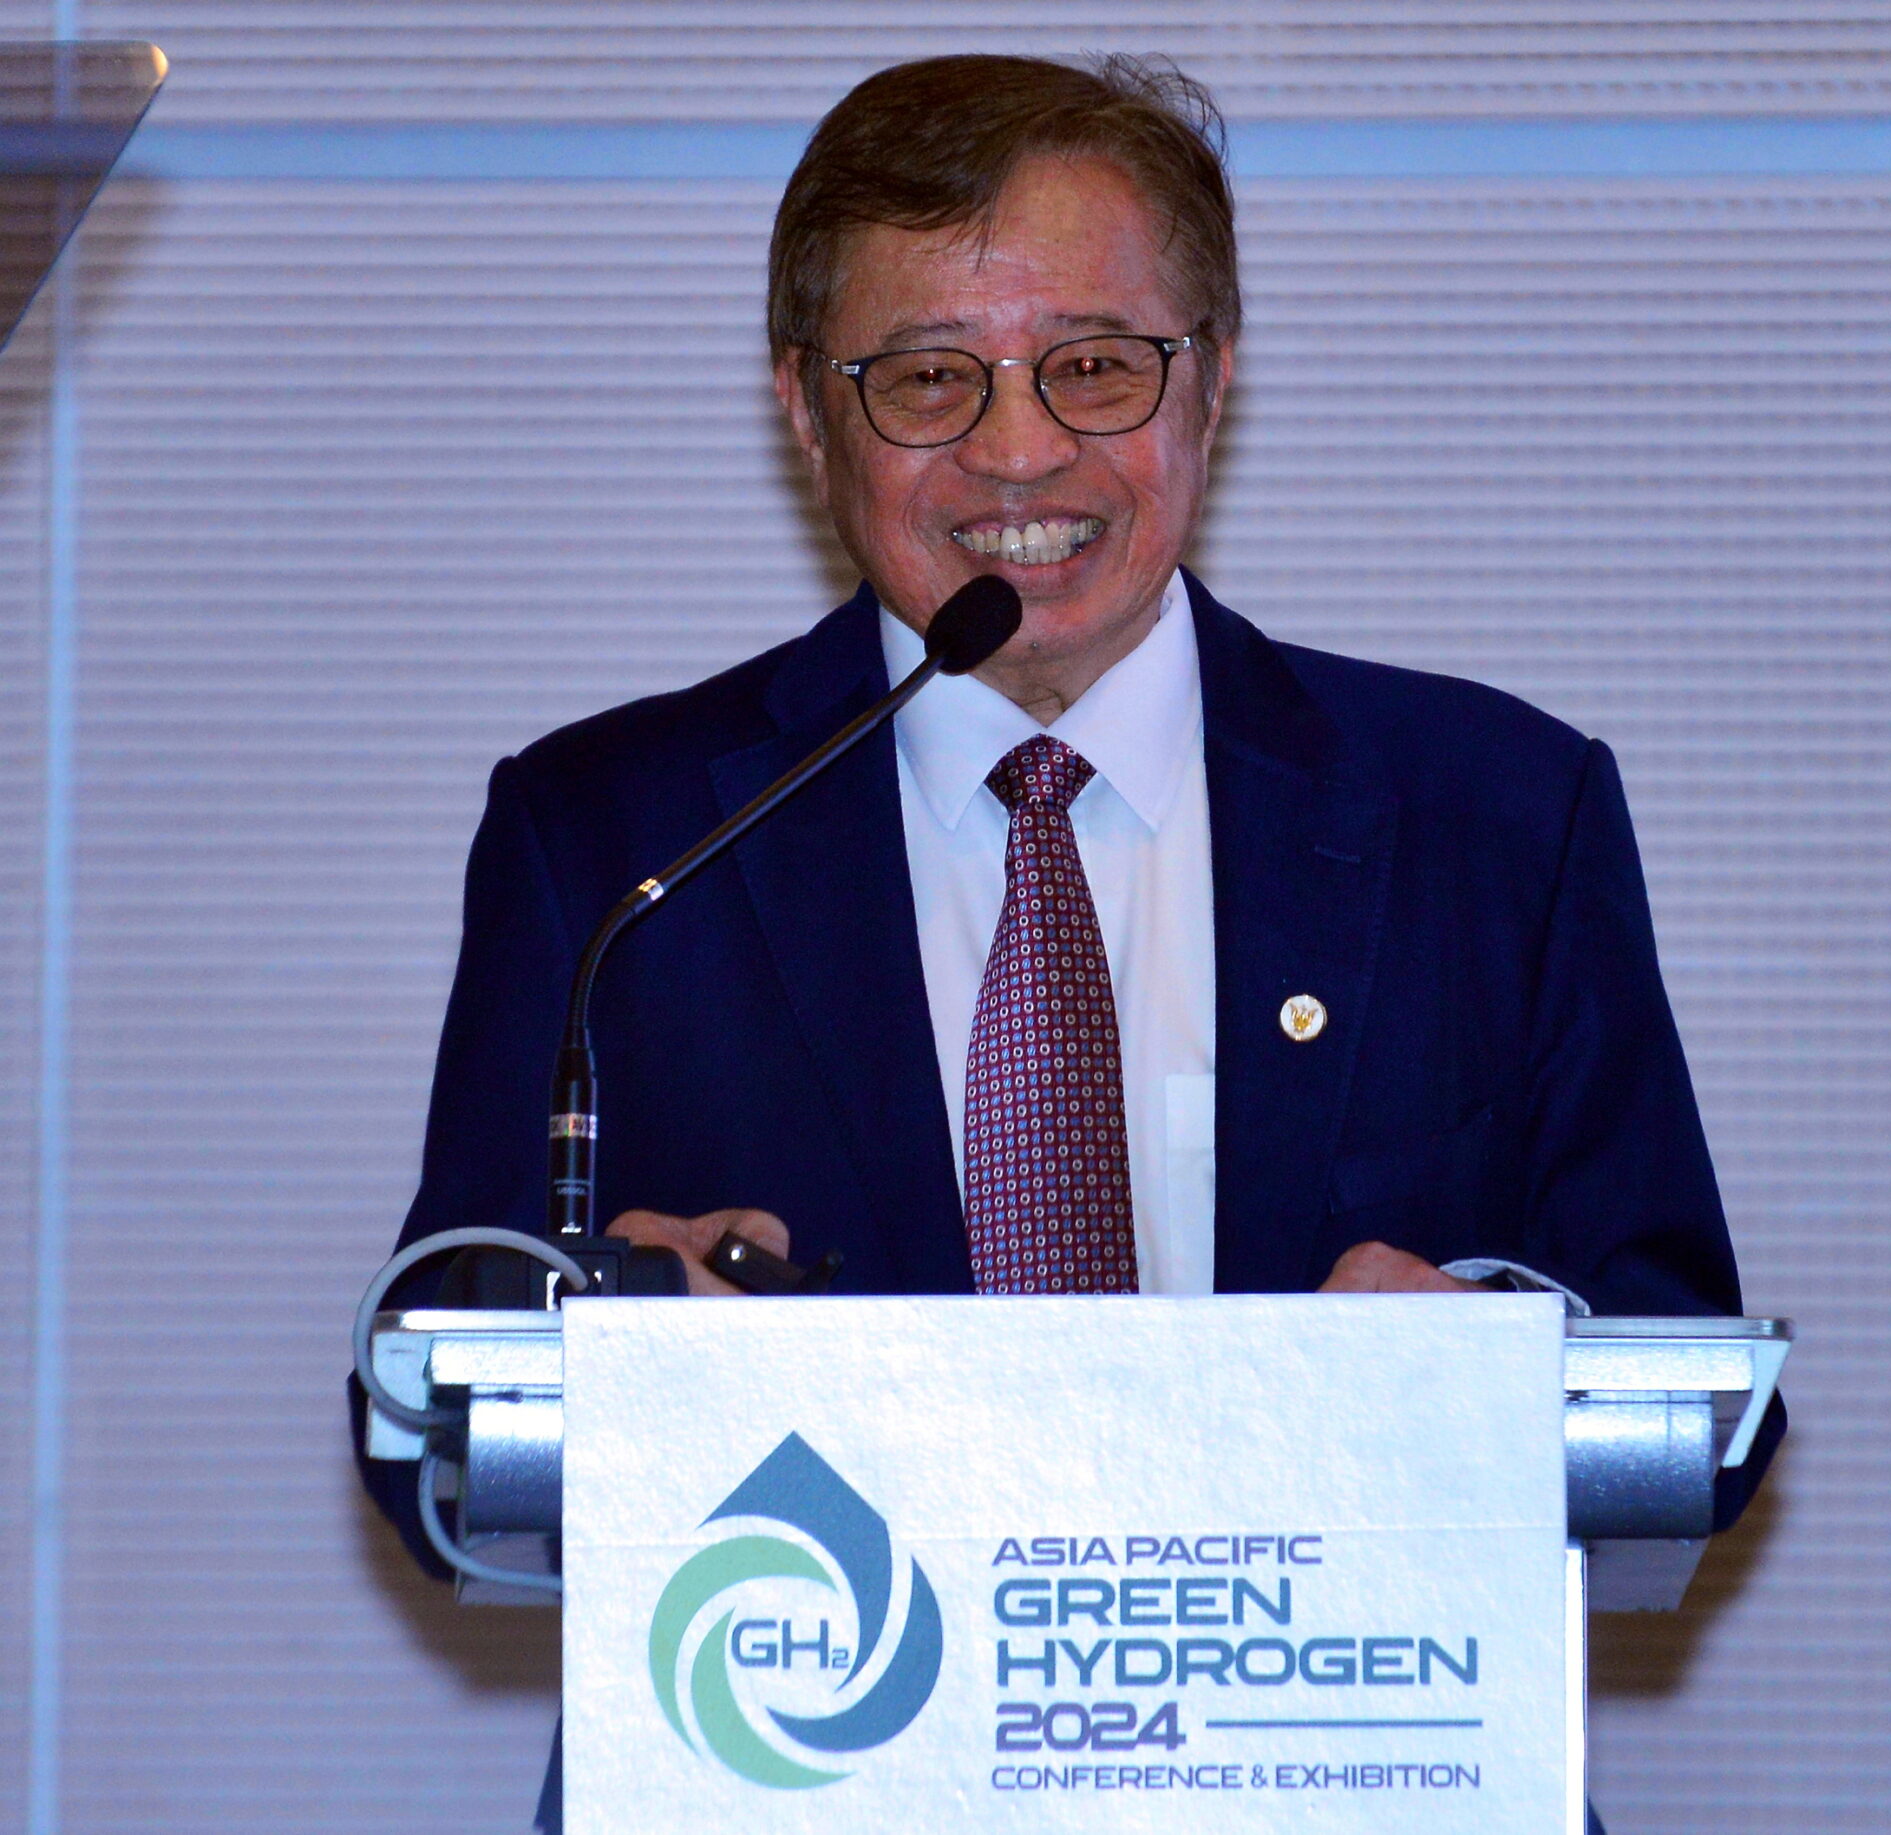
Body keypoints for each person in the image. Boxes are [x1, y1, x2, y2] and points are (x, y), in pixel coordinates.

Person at [356, 53, 1781, 1833]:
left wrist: (1474, 1359)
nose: (1020, 451)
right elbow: (425, 1406)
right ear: (804, 409)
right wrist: (608, 1331)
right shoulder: (617, 844)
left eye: (1097, 366)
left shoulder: (1495, 815)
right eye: (927, 379)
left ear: (1217, 377)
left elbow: (1687, 1392)